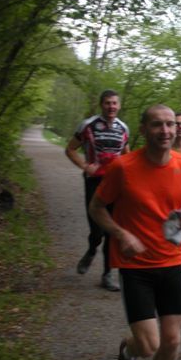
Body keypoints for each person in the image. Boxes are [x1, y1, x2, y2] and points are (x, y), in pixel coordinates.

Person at [88, 104, 181, 360]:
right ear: (143, 130)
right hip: (136, 266)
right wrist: (120, 233)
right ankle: (128, 352)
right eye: (157, 125)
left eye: (170, 125)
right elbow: (97, 207)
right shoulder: (123, 167)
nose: (166, 131)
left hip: (171, 263)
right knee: (148, 344)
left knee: (171, 341)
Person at [65, 89, 130, 291]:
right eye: (107, 103)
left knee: (111, 229)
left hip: (116, 184)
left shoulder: (123, 128)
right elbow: (70, 149)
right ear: (102, 105)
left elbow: (127, 155)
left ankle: (107, 274)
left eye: (114, 103)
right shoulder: (88, 125)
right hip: (94, 182)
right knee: (96, 229)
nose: (111, 106)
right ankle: (92, 248)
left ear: (119, 106)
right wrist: (85, 166)